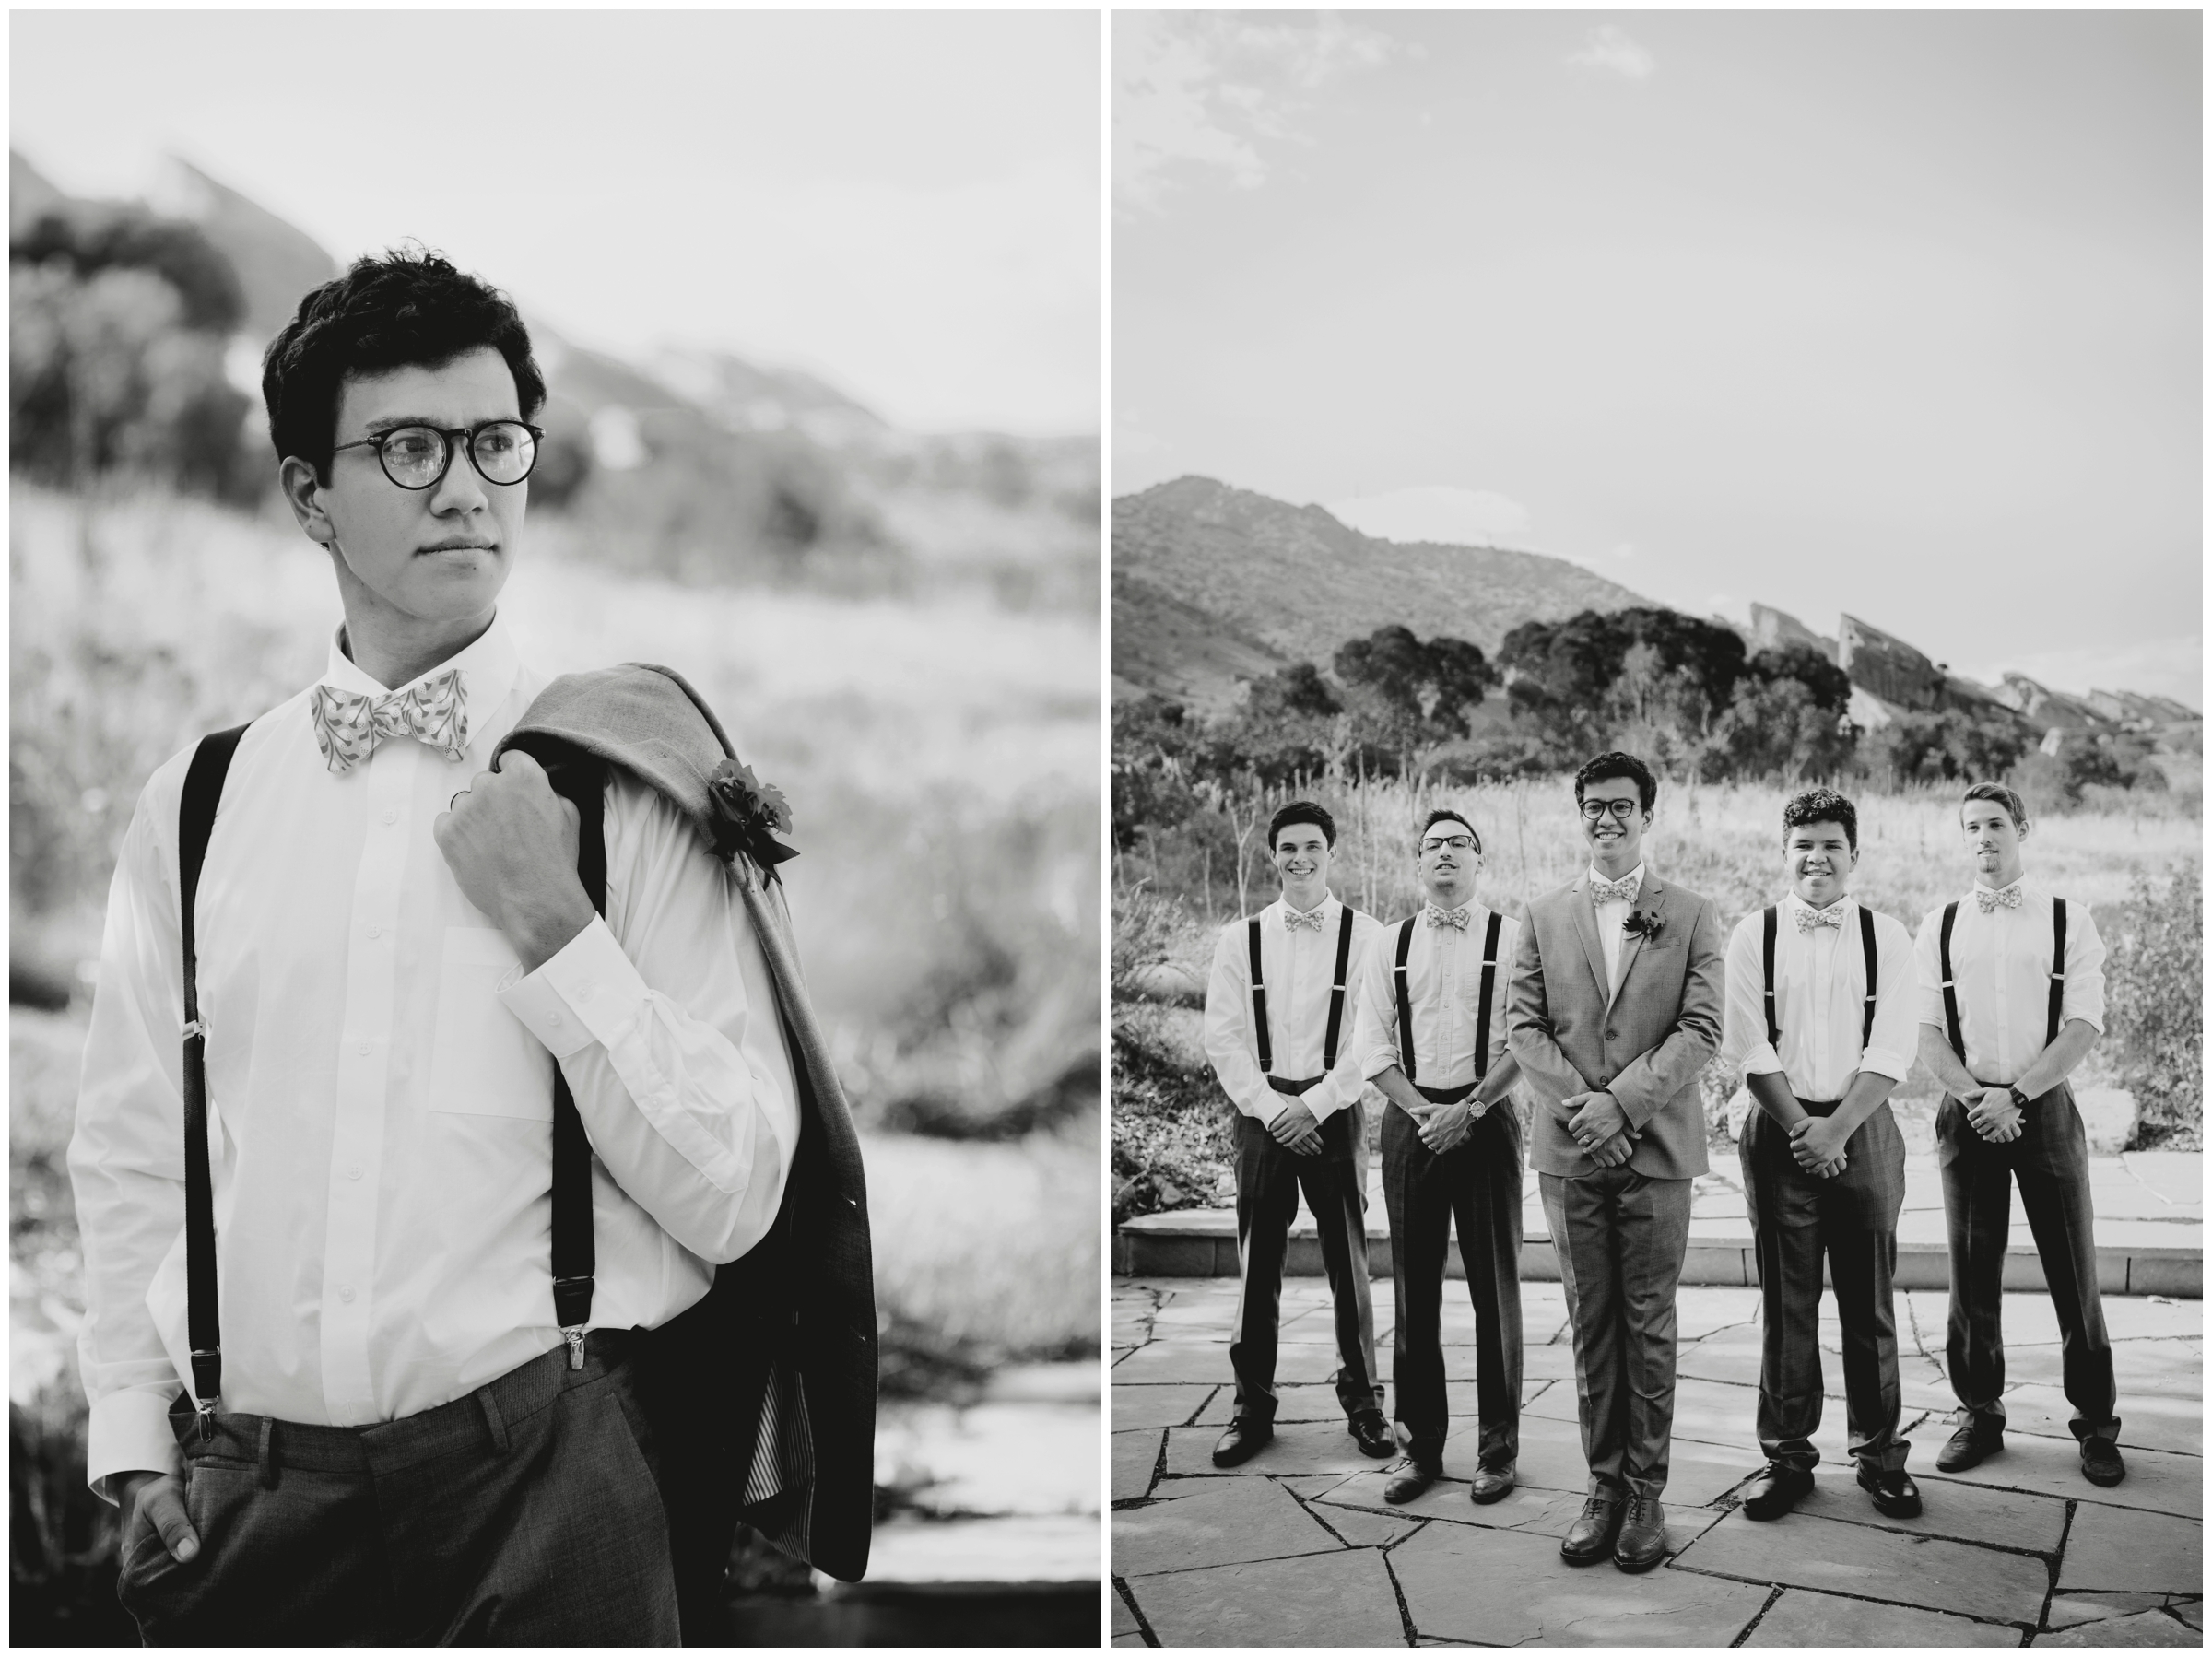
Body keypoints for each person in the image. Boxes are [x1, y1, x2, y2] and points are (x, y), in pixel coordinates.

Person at [68, 250, 803, 1644]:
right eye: (407, 446)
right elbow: (130, 1141)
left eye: (494, 441)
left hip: (555, 1481)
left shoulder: (625, 778)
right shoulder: (197, 802)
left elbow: (737, 1190)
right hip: (248, 1502)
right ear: (307, 495)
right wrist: (129, 1423)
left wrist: (559, 932)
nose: (465, 486)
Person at [1507, 751, 1724, 1574]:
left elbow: (1701, 1028)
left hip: (1658, 1148)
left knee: (1648, 1322)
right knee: (1590, 1322)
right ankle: (1600, 1489)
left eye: (1622, 806)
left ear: (1647, 814)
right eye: (1593, 806)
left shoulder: (1693, 913)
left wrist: (1623, 1104)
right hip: (1571, 1152)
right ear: (1580, 812)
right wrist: (1585, 1110)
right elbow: (1523, 1028)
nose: (1607, 818)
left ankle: (1646, 1494)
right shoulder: (1541, 913)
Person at [1718, 788, 1921, 1522]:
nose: (1817, 857)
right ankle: (1788, 1457)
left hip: (1863, 1129)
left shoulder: (1887, 936)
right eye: (1804, 845)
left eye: (1832, 845)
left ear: (1854, 856)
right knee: (1787, 1303)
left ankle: (1879, 1456)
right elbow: (1747, 1044)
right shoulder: (1753, 935)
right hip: (1780, 1130)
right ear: (1784, 854)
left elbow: (1895, 1042)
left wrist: (1837, 1131)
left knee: (1868, 1305)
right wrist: (1806, 1125)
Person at [1913, 782, 2124, 1487]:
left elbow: (2083, 1025)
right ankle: (1980, 1413)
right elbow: (1926, 1033)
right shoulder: (1939, 923)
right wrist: (1978, 1098)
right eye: (1971, 827)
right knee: (1972, 1277)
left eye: (1996, 824)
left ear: (2022, 830)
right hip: (1967, 1112)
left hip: (2043, 1108)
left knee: (2074, 1271)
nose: (1983, 837)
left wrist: (2017, 1096)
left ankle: (2096, 1425)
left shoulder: (2069, 919)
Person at [1201, 801, 1394, 1467]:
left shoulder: (1369, 937)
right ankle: (1251, 1408)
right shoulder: (1239, 939)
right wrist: (1269, 1107)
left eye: (1313, 846)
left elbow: (1372, 1039)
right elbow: (1222, 1039)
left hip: (1335, 1112)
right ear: (1272, 856)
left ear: (1332, 852)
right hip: (1259, 1116)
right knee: (1258, 1269)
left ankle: (1366, 1406)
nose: (1301, 858)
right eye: (1288, 848)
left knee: (1349, 1264)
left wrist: (1312, 1106)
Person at [1353, 808, 1526, 1506]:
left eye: (1460, 844)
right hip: (1412, 1124)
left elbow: (1526, 1040)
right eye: (1433, 846)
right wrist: (1427, 1112)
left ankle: (1498, 1451)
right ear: (1417, 865)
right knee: (1414, 1291)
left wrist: (1472, 1109)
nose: (1446, 854)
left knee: (1496, 1292)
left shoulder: (1515, 938)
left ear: (1480, 862)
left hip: (1487, 1121)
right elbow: (1373, 1047)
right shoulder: (1388, 944)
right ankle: (1419, 1449)